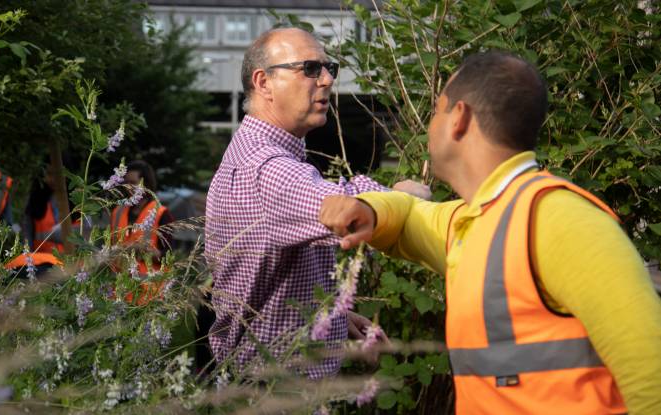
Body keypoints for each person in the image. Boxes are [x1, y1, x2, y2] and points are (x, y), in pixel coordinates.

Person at [319, 51, 661, 414]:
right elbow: (410, 215)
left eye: (437, 110)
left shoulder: (563, 222)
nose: (429, 125)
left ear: (459, 119)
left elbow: (651, 379)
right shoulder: (477, 219)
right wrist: (370, 209)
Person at [204, 27, 429, 379]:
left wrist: (335, 317)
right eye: (310, 68)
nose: (326, 80)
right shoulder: (266, 169)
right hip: (273, 394)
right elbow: (346, 209)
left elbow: (274, 281)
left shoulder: (266, 157)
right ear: (263, 83)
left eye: (329, 68)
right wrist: (403, 195)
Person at [109, 160, 174, 303]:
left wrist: (144, 252)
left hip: (147, 295)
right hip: (117, 294)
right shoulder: (117, 211)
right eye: (126, 183)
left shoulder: (162, 213)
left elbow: (168, 257)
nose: (128, 187)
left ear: (147, 185)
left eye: (133, 183)